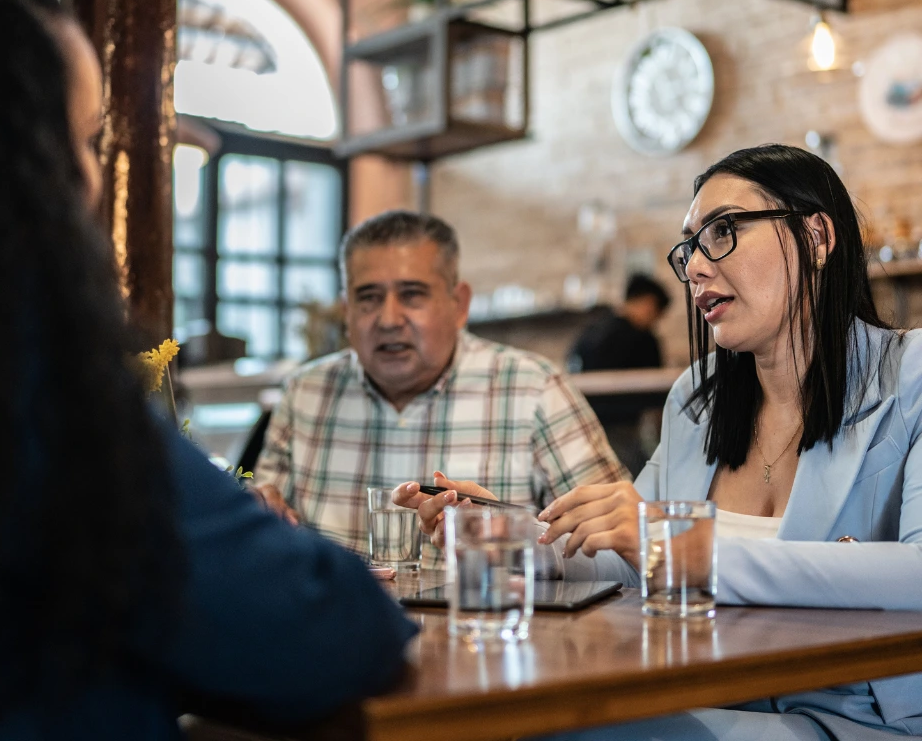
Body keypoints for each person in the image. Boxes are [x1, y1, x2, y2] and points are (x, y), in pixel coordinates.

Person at [0, 0, 416, 740]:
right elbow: (321, 630)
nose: (96, 179)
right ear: (5, 160)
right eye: (80, 141)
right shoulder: (12, 371)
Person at [398, 144, 922, 740]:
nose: (696, 265)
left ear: (818, 237)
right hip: (707, 690)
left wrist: (694, 554)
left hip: (857, 721)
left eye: (723, 231)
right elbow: (626, 550)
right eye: (690, 246)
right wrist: (503, 532)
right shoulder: (698, 399)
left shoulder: (911, 375)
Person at [254, 210, 626, 564]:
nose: (388, 319)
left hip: (487, 625)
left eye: (412, 294)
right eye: (368, 298)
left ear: (459, 304)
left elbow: (617, 547)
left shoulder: (534, 391)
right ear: (346, 310)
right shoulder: (305, 394)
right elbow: (261, 528)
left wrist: (510, 542)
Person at [565, 273, 671, 373]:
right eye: (656, 313)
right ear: (648, 303)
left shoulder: (591, 331)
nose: (654, 322)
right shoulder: (644, 340)